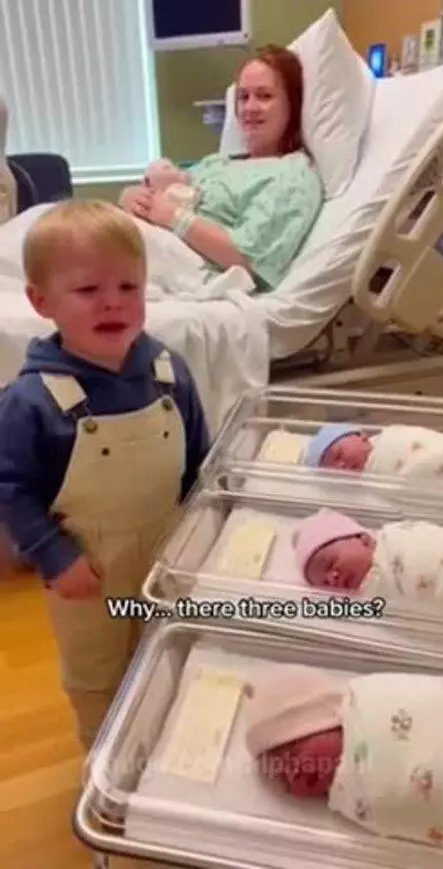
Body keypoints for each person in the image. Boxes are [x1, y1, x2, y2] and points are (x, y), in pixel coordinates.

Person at [0, 199, 210, 750]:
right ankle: (105, 766)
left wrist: (203, 533)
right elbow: (11, 489)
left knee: (166, 653)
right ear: (41, 302)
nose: (112, 303)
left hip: (166, 556)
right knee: (98, 676)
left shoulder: (169, 371)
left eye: (128, 287)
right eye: (89, 291)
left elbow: (198, 461)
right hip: (86, 573)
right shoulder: (32, 400)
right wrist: (52, 555)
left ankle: (159, 754)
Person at [119, 44, 323, 292]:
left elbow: (250, 259)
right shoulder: (218, 163)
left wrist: (173, 216)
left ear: (293, 104)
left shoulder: (293, 175)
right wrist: (132, 197)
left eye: (264, 96)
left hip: (190, 267)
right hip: (154, 243)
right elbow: (167, 191)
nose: (250, 107)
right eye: (243, 96)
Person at [245, 664, 443, 849]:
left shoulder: (371, 704)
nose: (295, 773)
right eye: (284, 779)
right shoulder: (352, 803)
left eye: (294, 755)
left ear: (325, 721)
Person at [294, 508, 443, 607]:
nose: (332, 578)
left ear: (362, 538)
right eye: (324, 584)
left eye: (331, 564)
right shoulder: (374, 600)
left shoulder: (395, 537)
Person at [304, 421, 443, 483]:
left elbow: (427, 440)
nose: (341, 465)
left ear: (361, 436)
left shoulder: (391, 436)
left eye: (339, 454)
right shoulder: (372, 483)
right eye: (332, 468)